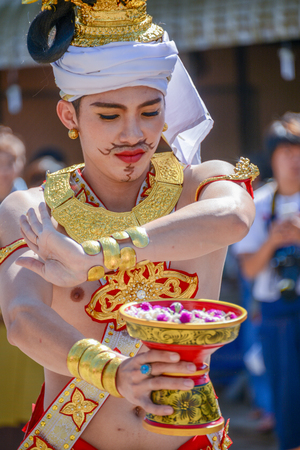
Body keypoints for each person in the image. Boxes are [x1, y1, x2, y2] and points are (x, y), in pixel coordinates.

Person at [0, 1, 258, 449]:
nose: (133, 134)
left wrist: (95, 257)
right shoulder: (33, 209)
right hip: (73, 438)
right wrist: (115, 373)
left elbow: (233, 217)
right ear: (69, 116)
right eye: (108, 114)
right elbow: (23, 317)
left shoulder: (199, 186)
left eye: (150, 110)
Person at [234, 112, 300, 450]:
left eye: (299, 150)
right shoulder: (258, 203)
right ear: (272, 157)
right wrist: (274, 240)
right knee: (287, 394)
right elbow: (248, 270)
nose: (294, 159)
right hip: (277, 312)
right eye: (286, 151)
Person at [0, 125, 44, 450]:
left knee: (30, 420)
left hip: (28, 318)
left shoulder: (35, 206)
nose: (3, 169)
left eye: (9, 161)